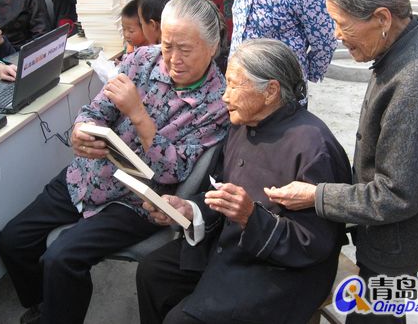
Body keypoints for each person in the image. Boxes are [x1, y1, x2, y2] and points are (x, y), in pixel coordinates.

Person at [264, 0, 418, 323]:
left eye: (342, 24)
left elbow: (397, 195)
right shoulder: (416, 42)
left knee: (375, 313)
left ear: (382, 18)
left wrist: (317, 196)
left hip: (403, 236)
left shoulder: (416, 82)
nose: (336, 35)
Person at [0, 0, 230, 324]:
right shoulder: (142, 60)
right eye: (167, 45)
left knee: (61, 259)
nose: (173, 59)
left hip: (135, 200)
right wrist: (81, 130)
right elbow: (97, 110)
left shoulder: (217, 104)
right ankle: (43, 305)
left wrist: (138, 114)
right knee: (14, 241)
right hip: (88, 174)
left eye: (185, 50)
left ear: (212, 47)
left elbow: (172, 171)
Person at [136, 38, 352, 324]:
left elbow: (314, 242)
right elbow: (220, 190)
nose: (225, 97)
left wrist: (251, 217)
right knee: (152, 272)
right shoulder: (241, 124)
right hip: (232, 242)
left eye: (234, 86)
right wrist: (189, 209)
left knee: (182, 320)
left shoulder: (313, 146)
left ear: (270, 91)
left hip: (281, 269)